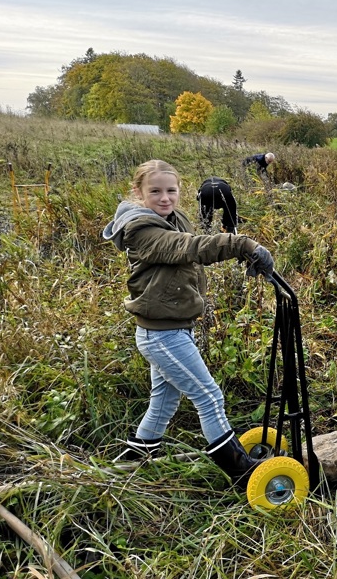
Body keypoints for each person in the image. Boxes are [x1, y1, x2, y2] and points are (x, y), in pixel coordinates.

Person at [102, 159, 276, 489]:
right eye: (155, 191)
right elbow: (190, 247)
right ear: (139, 193)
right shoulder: (142, 231)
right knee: (209, 397)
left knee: (164, 402)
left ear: (181, 191)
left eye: (171, 190)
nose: (165, 198)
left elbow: (192, 247)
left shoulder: (171, 218)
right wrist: (242, 245)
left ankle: (133, 463)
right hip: (162, 334)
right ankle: (242, 473)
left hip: (173, 327)